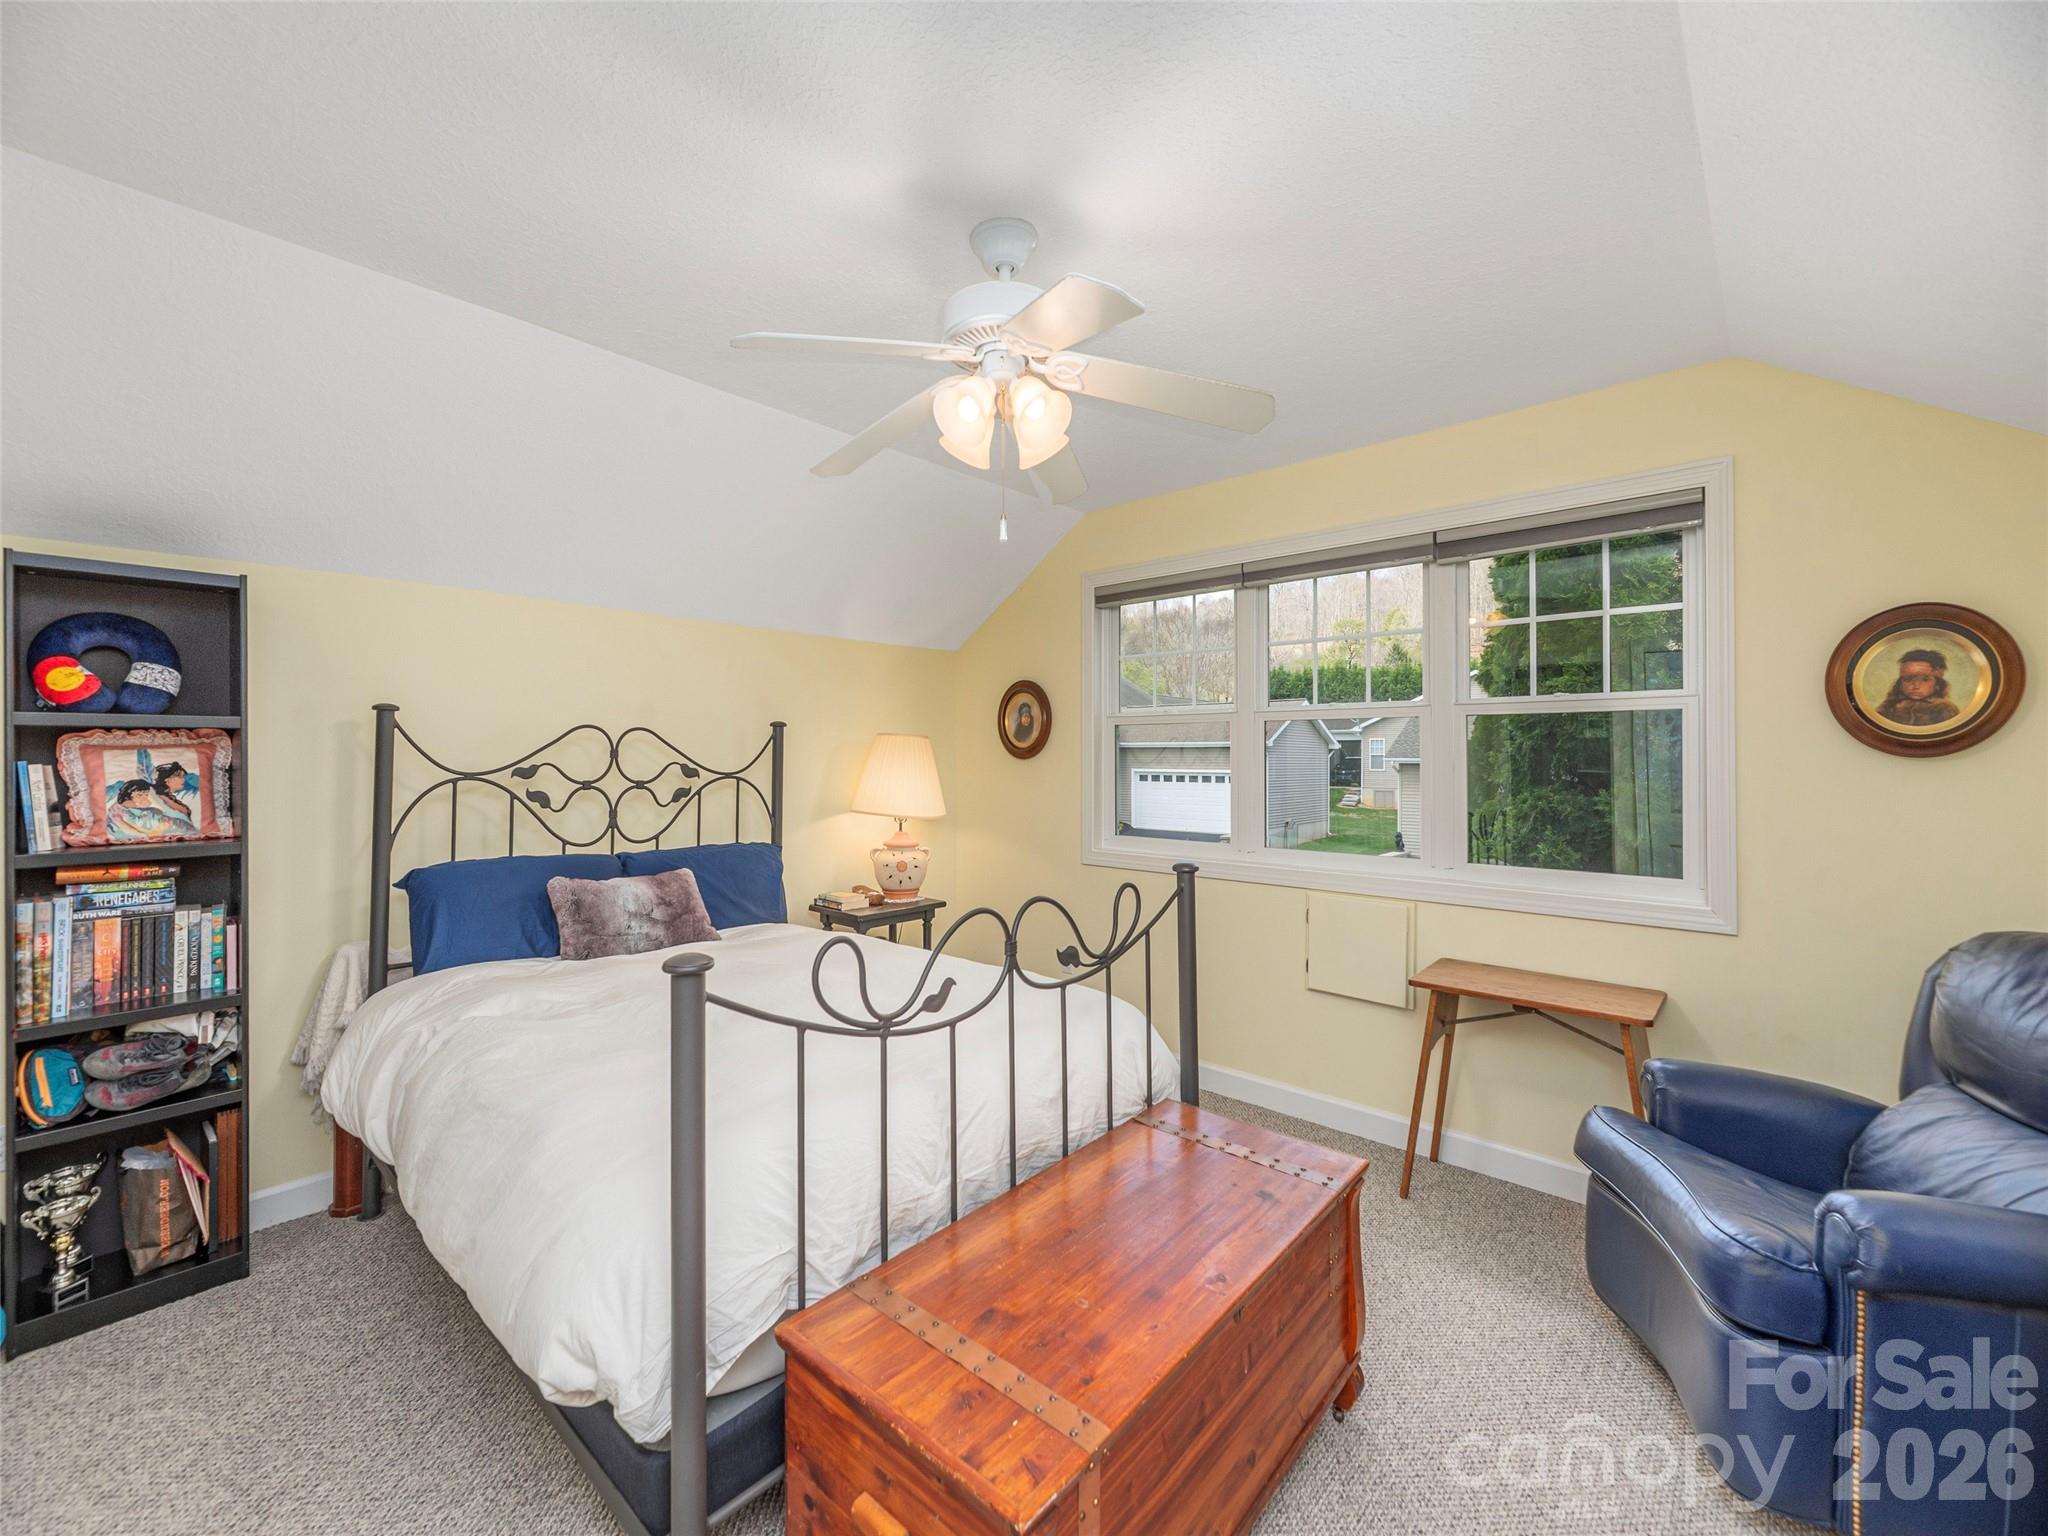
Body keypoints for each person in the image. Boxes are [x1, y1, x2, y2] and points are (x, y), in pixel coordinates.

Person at [1876, 648, 1961, 727]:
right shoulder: (1889, 706)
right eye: (1908, 679)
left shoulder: (1944, 708)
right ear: (1900, 683)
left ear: (1937, 684)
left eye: (1925, 680)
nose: (1916, 686)